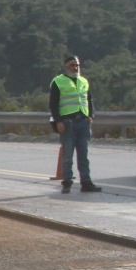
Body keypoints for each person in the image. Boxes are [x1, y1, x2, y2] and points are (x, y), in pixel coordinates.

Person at [49, 54, 99, 193]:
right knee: (68, 155)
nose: (75, 67)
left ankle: (86, 182)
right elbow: (53, 104)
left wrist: (91, 115)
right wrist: (58, 121)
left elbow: (89, 100)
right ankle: (67, 182)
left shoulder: (83, 81)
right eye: (72, 65)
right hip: (67, 122)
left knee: (84, 155)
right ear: (66, 66)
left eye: (77, 65)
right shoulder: (58, 81)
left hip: (83, 122)